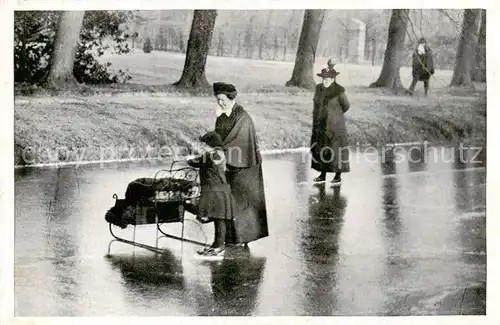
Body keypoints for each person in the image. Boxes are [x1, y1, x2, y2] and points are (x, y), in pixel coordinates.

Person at [212, 81, 269, 246]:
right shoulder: (223, 115)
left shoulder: (242, 117)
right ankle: (232, 237)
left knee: (243, 203)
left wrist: (220, 151)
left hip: (245, 166)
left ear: (231, 99)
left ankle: (242, 238)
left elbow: (237, 140)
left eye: (222, 100)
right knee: (230, 202)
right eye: (218, 100)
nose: (220, 103)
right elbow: (218, 137)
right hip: (232, 163)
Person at [187, 131, 233, 258]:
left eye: (205, 143)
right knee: (219, 219)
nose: (203, 146)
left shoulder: (210, 155)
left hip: (214, 191)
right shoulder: (220, 153)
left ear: (210, 144)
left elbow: (193, 162)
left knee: (218, 219)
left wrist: (187, 157)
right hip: (222, 189)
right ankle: (216, 245)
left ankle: (218, 247)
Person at [310, 68, 350, 185]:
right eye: (323, 78)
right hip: (320, 124)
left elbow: (346, 106)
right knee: (321, 149)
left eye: (328, 78)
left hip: (335, 126)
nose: (325, 81)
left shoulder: (339, 90)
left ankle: (338, 176)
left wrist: (334, 115)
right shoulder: (319, 89)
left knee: (335, 150)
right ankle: (322, 175)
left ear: (333, 79)